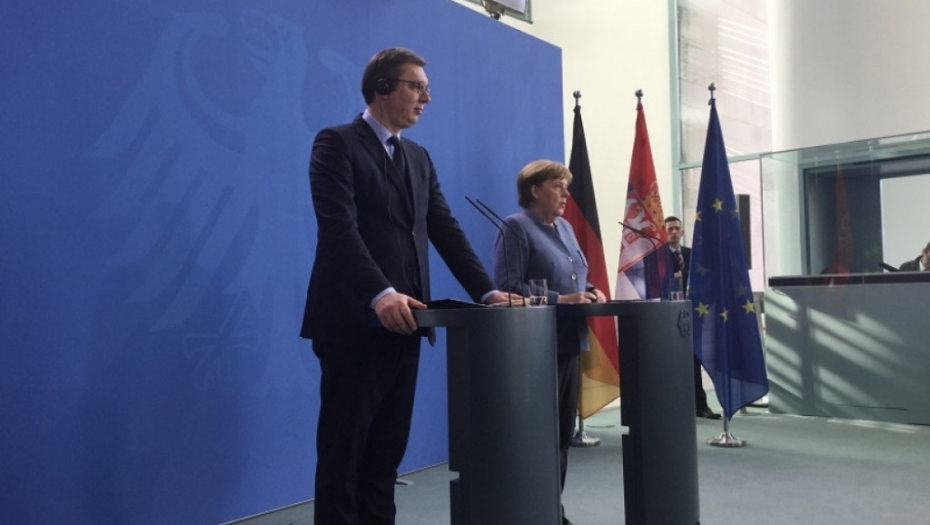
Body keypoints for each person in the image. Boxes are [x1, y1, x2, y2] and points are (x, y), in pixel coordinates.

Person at [300, 47, 514, 525]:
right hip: (354, 322)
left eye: (426, 89)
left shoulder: (418, 157)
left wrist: (487, 292)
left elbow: (445, 229)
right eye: (416, 87)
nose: (426, 98)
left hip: (409, 323)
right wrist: (380, 293)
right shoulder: (336, 143)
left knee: (384, 459)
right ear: (382, 88)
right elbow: (338, 229)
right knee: (344, 455)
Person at [493, 160, 607, 525]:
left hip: (570, 341)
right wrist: (563, 299)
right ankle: (531, 512)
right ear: (535, 190)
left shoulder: (566, 228)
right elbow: (508, 288)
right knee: (537, 437)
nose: (566, 194)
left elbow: (575, 277)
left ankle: (551, 510)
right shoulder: (515, 227)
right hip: (535, 347)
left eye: (566, 186)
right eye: (558, 186)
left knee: (560, 436)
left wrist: (591, 291)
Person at [664, 216, 722, 420]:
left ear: (682, 232)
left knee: (694, 361)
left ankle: (700, 405)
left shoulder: (692, 254)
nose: (673, 232)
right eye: (669, 229)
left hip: (693, 315)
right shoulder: (658, 257)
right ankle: (673, 407)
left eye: (677, 228)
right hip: (668, 316)